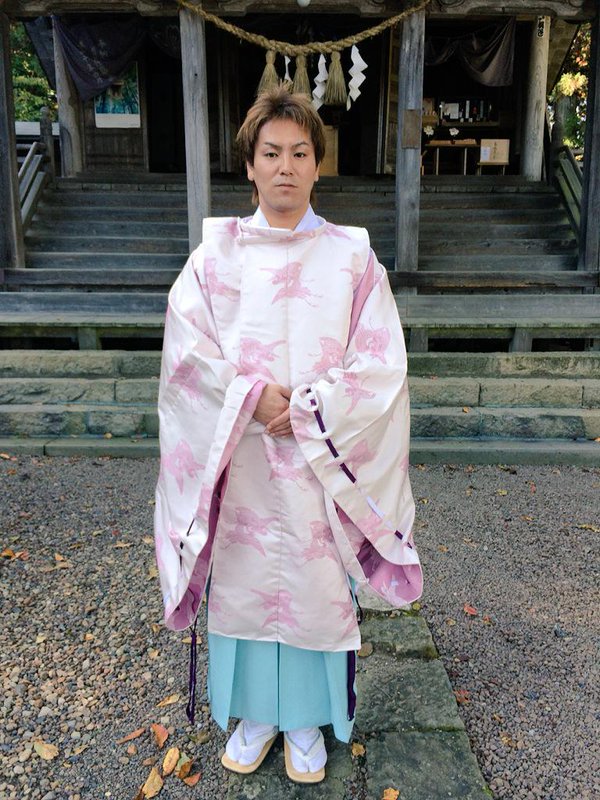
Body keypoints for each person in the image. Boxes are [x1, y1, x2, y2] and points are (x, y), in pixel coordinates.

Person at [153, 85, 423, 784]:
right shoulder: (214, 258)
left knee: (311, 585)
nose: (285, 167)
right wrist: (248, 398)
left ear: (316, 164)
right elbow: (188, 355)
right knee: (244, 582)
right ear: (249, 164)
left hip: (315, 459)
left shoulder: (353, 259)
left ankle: (305, 718)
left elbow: (380, 364)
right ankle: (254, 714)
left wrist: (306, 408)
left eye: (299, 153)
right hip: (239, 456)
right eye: (270, 152)